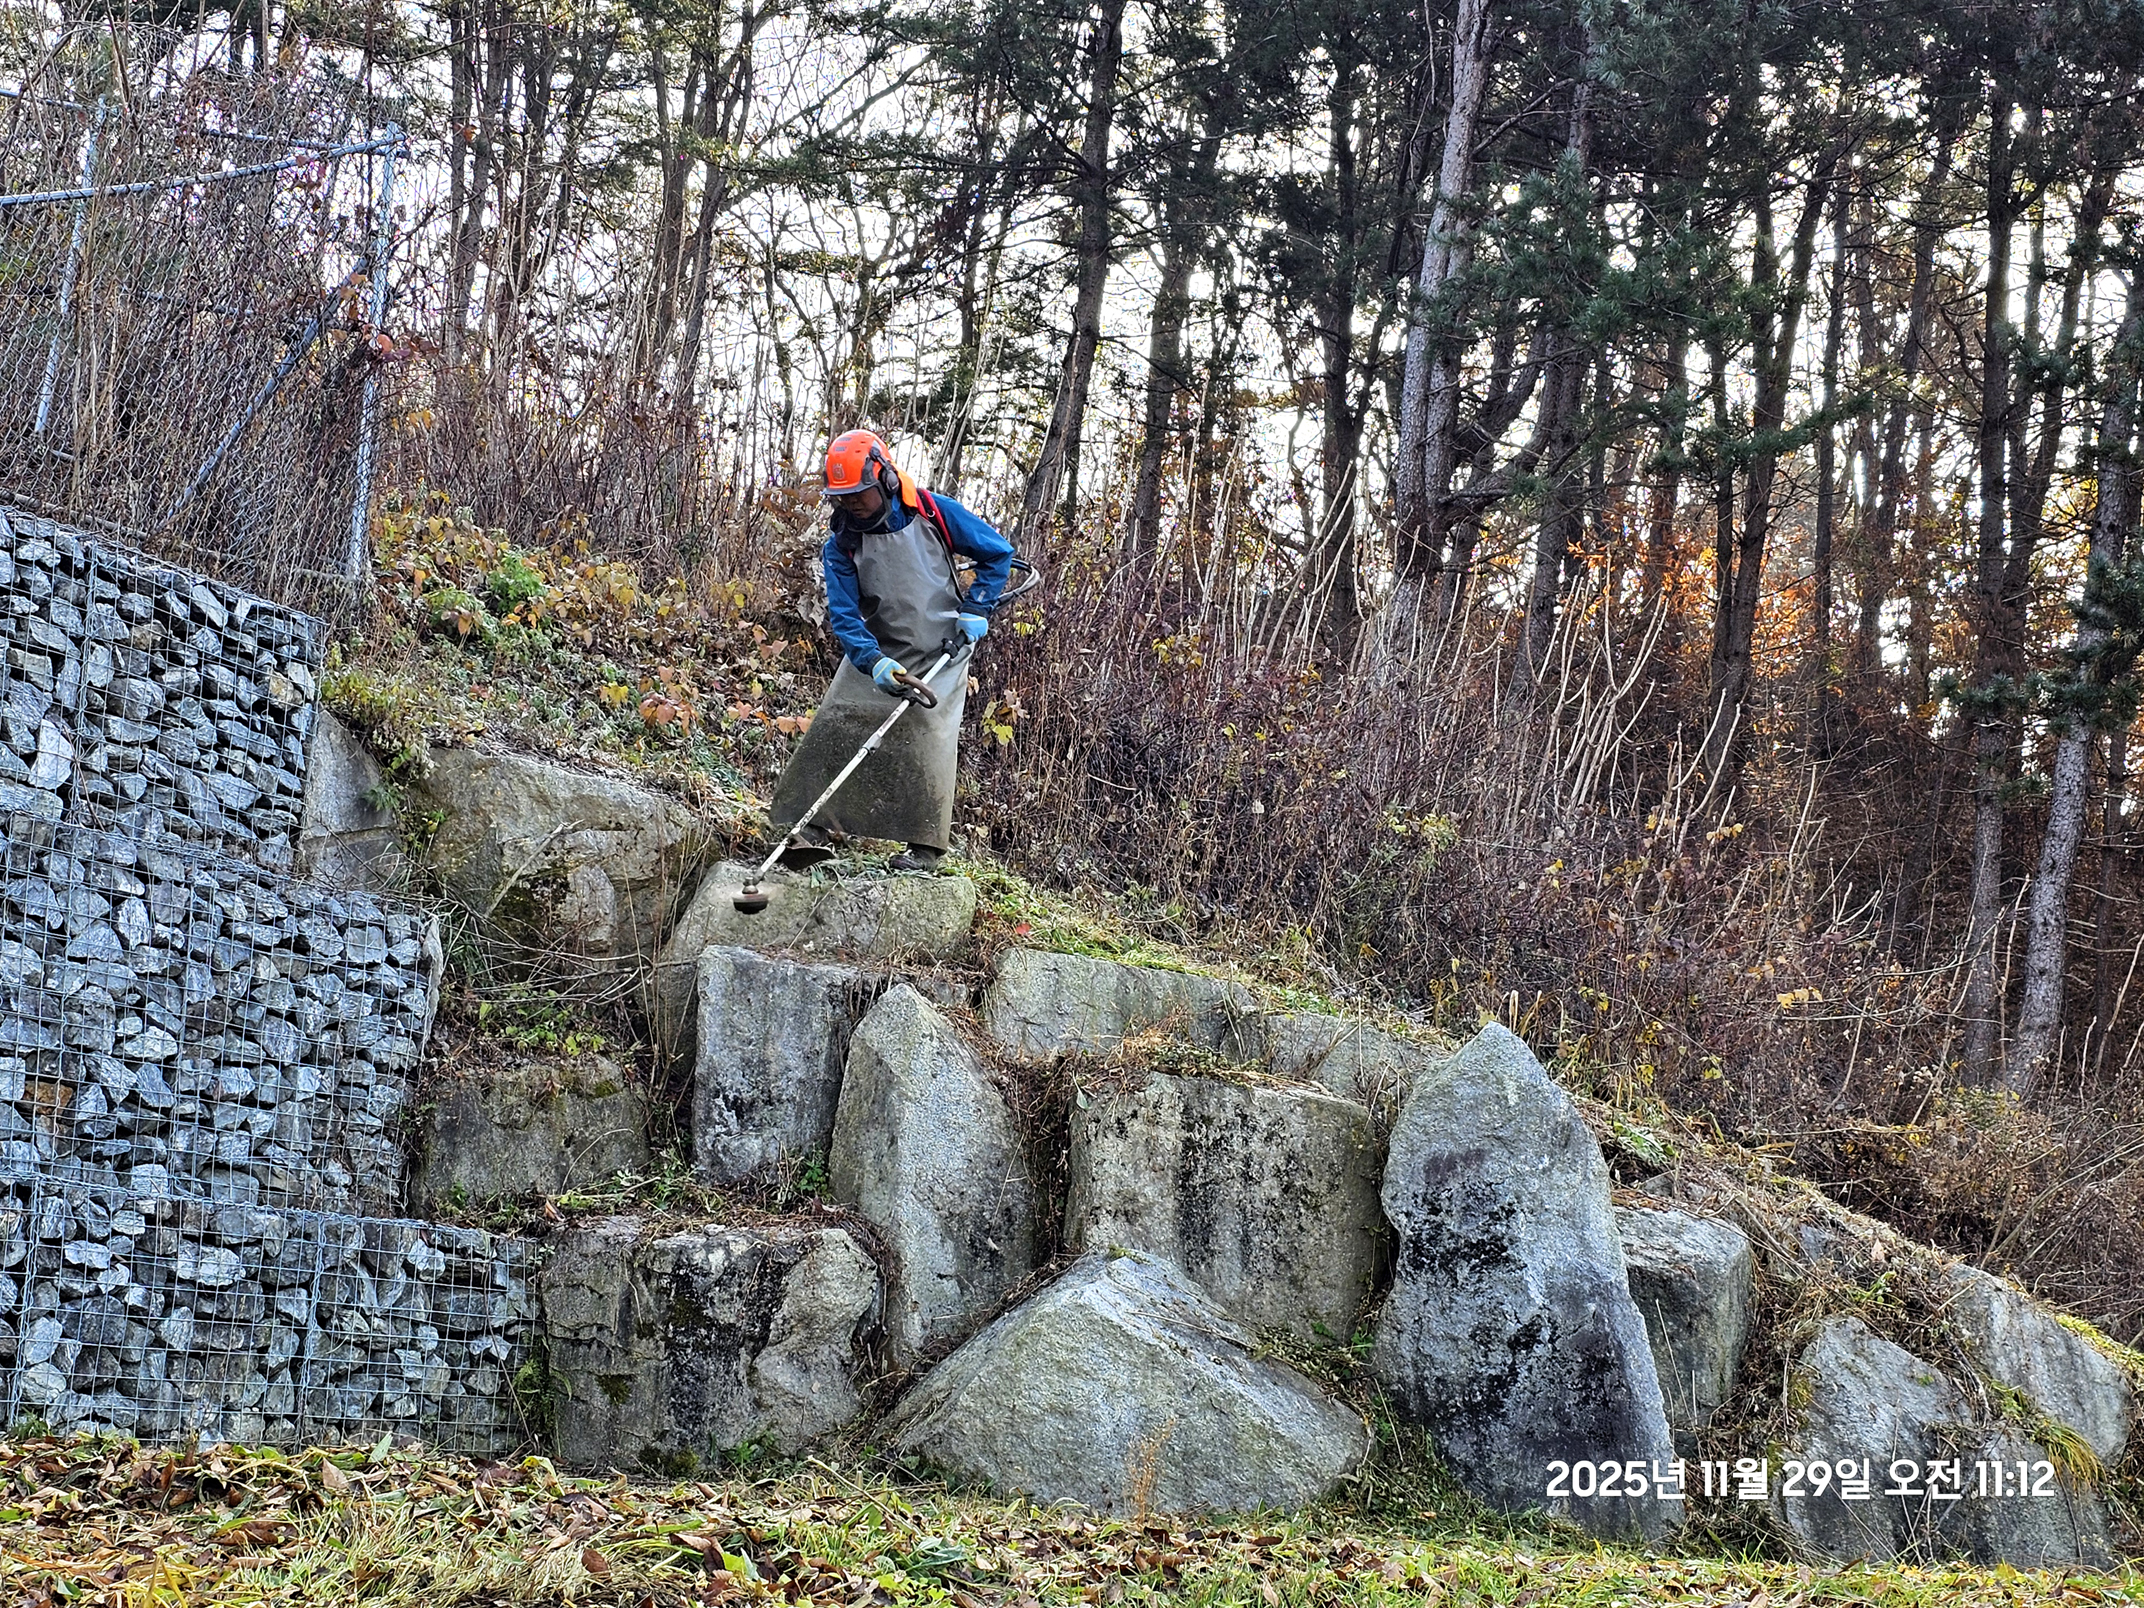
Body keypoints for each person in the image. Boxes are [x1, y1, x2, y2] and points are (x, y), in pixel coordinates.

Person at [769, 430, 1014, 873]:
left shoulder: (933, 511)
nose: (851, 503)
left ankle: (924, 850)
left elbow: (998, 554)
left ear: (881, 477)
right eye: (842, 497)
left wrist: (977, 608)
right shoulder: (841, 543)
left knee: (929, 740)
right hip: (878, 651)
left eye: (859, 493)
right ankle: (803, 830)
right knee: (836, 721)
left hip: (943, 646)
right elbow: (844, 616)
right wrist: (873, 661)